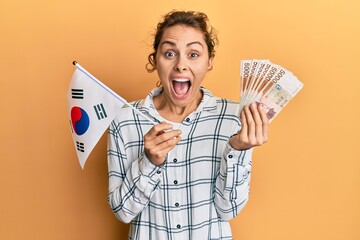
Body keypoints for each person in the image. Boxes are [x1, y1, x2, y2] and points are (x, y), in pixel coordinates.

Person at [107, 10, 269, 240]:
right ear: (155, 60)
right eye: (170, 53)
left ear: (209, 61)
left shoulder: (234, 118)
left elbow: (228, 209)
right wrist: (149, 163)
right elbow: (123, 212)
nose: (181, 65)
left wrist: (237, 150)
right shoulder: (125, 120)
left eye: (193, 54)